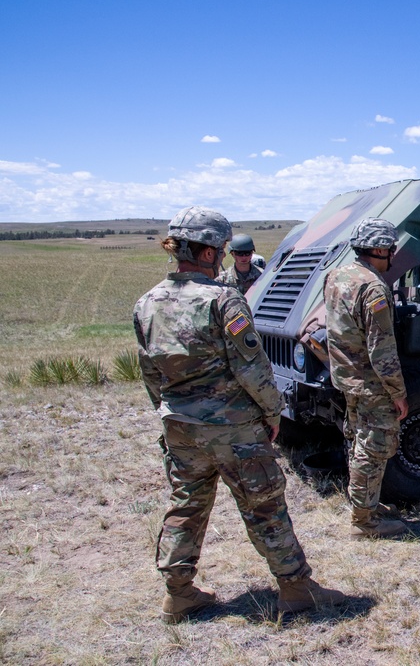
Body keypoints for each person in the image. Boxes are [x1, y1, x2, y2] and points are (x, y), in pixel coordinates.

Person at [133, 206, 343, 624]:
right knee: (264, 504)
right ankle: (296, 589)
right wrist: (272, 413)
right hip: (234, 431)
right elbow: (253, 368)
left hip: (180, 428)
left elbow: (150, 372)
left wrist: (173, 410)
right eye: (223, 249)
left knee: (185, 506)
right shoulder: (223, 300)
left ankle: (178, 594)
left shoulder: (146, 303)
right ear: (209, 252)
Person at [324, 218, 409, 539]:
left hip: (347, 379)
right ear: (377, 248)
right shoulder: (373, 287)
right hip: (372, 383)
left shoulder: (336, 276)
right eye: (390, 249)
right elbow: (381, 347)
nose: (393, 254)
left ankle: (366, 504)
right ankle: (364, 521)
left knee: (358, 441)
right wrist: (398, 392)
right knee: (373, 448)